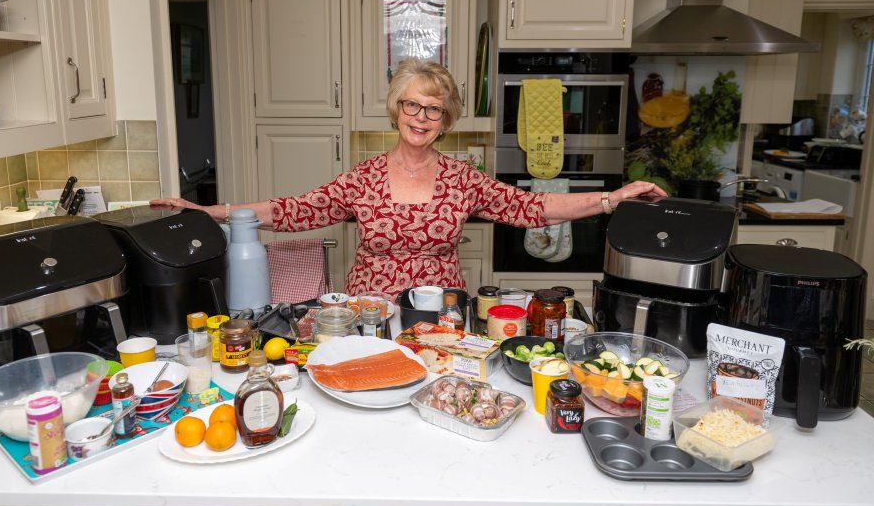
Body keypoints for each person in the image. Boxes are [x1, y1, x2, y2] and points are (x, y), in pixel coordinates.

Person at [151, 58, 666, 296]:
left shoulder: (464, 180)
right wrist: (209, 211)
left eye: (434, 110)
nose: (421, 118)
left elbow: (533, 208)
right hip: (368, 315)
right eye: (412, 105)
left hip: (441, 316)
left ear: (447, 120)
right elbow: (291, 210)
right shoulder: (364, 178)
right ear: (396, 109)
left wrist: (611, 199)